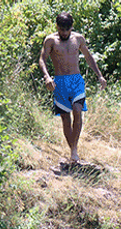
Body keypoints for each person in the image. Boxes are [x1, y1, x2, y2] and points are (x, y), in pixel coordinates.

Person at [39, 12, 107, 164]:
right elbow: (42, 59)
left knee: (78, 111)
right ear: (57, 27)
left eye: (67, 30)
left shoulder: (78, 39)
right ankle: (72, 150)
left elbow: (88, 57)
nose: (64, 33)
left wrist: (100, 75)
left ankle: (74, 149)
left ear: (71, 28)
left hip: (76, 80)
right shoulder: (50, 40)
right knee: (65, 118)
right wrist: (47, 77)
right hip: (60, 82)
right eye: (62, 29)